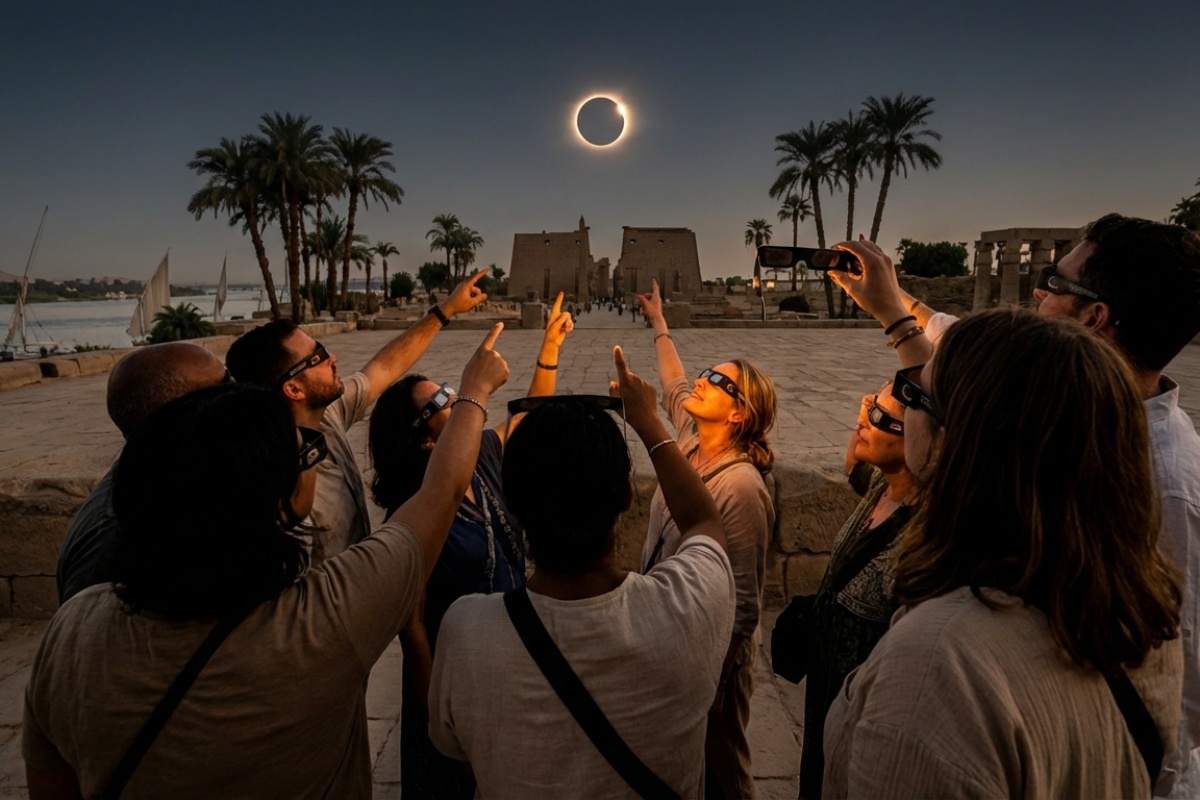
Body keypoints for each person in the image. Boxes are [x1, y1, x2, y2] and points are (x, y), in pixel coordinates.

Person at [23, 326, 509, 799]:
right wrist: (472, 391)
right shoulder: (328, 618)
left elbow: (53, 782)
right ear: (280, 508)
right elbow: (442, 492)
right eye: (304, 454)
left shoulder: (73, 627)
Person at [832, 216, 1200, 797]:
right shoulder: (1071, 420)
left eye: (1053, 282)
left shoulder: (938, 667)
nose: (1037, 291)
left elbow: (1182, 722)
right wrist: (894, 304)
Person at [428, 347, 735, 798]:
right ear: (628, 495)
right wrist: (649, 423)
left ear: (511, 503)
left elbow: (452, 745)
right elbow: (705, 523)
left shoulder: (467, 629)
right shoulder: (688, 607)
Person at [368, 293, 573, 799]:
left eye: (452, 391)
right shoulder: (412, 517)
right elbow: (413, 631)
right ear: (423, 441)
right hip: (450, 683)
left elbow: (527, 418)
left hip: (504, 662)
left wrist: (549, 348)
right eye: (442, 402)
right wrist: (442, 718)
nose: (456, 400)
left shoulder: (478, 461)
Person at [226, 268, 489, 564]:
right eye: (318, 357)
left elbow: (384, 368)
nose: (332, 358)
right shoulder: (277, 482)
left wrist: (446, 310)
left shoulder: (327, 415)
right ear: (293, 389)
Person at [636, 278, 776, 799]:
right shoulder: (692, 443)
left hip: (713, 658)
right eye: (707, 371)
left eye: (718, 379)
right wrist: (660, 324)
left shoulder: (740, 486)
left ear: (739, 412)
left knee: (722, 767)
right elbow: (673, 381)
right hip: (676, 635)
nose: (702, 379)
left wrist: (715, 680)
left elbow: (743, 602)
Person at [798, 382, 917, 799]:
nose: (867, 421)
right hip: (827, 686)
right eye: (870, 408)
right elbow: (854, 466)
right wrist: (866, 412)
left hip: (870, 704)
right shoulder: (879, 488)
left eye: (883, 419)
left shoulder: (924, 532)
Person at [56, 341, 230, 604]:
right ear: (184, 414)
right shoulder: (122, 535)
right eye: (226, 386)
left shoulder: (164, 483)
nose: (241, 395)